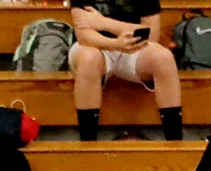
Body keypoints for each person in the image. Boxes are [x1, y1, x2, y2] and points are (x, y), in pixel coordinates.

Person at [68, 2, 183, 143]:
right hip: (95, 46)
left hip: (134, 46)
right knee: (89, 59)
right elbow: (83, 35)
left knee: (164, 58)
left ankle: (175, 143)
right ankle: (87, 144)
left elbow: (151, 35)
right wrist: (115, 44)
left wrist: (104, 23)